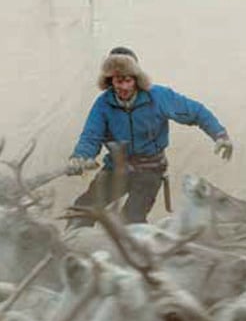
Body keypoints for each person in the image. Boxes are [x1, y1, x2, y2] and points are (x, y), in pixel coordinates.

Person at [65, 46, 233, 228]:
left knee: (130, 222)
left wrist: (219, 134)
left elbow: (196, 112)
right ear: (110, 80)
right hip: (116, 168)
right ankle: (75, 253)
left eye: (127, 80)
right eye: (117, 81)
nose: (123, 87)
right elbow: (91, 136)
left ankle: (132, 253)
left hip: (149, 169)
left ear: (136, 79)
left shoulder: (158, 97)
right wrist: (80, 157)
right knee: (81, 210)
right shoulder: (103, 104)